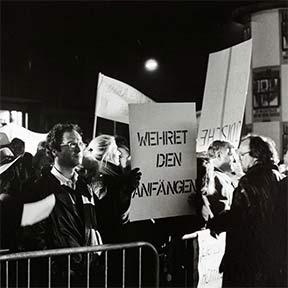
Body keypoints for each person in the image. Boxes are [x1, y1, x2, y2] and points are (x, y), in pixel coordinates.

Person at [24, 123, 102, 286]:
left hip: (87, 274)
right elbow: (34, 239)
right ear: (54, 150)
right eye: (72, 144)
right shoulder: (39, 189)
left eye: (81, 143)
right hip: (60, 279)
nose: (79, 149)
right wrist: (57, 273)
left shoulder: (84, 186)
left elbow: (97, 224)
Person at [208, 135, 285, 287]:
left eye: (242, 155)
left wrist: (216, 223)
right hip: (273, 260)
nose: (238, 159)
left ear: (255, 156)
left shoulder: (249, 182)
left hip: (247, 261)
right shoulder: (278, 177)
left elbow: (238, 217)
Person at [83, 134, 141, 244]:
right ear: (106, 154)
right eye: (115, 149)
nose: (119, 153)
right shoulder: (100, 178)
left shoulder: (111, 176)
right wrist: (126, 188)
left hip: (113, 240)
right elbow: (109, 212)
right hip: (109, 242)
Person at [201, 140, 243, 222]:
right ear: (218, 155)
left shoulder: (223, 176)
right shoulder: (216, 178)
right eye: (230, 154)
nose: (234, 158)